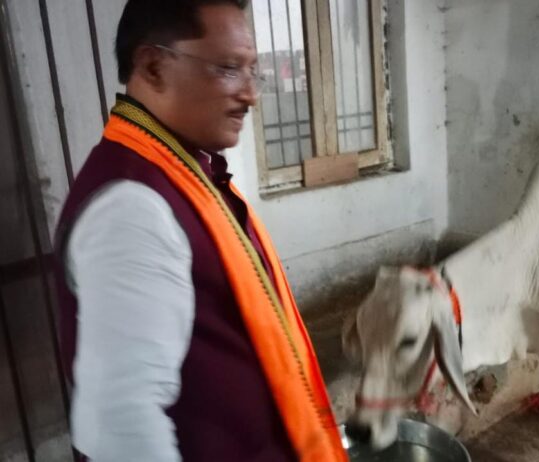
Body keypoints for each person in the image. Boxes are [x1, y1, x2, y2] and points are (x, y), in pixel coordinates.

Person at [52, 1, 346, 460]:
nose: (250, 94)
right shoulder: (132, 207)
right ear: (153, 67)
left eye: (253, 71)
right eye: (228, 68)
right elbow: (121, 425)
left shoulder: (186, 172)